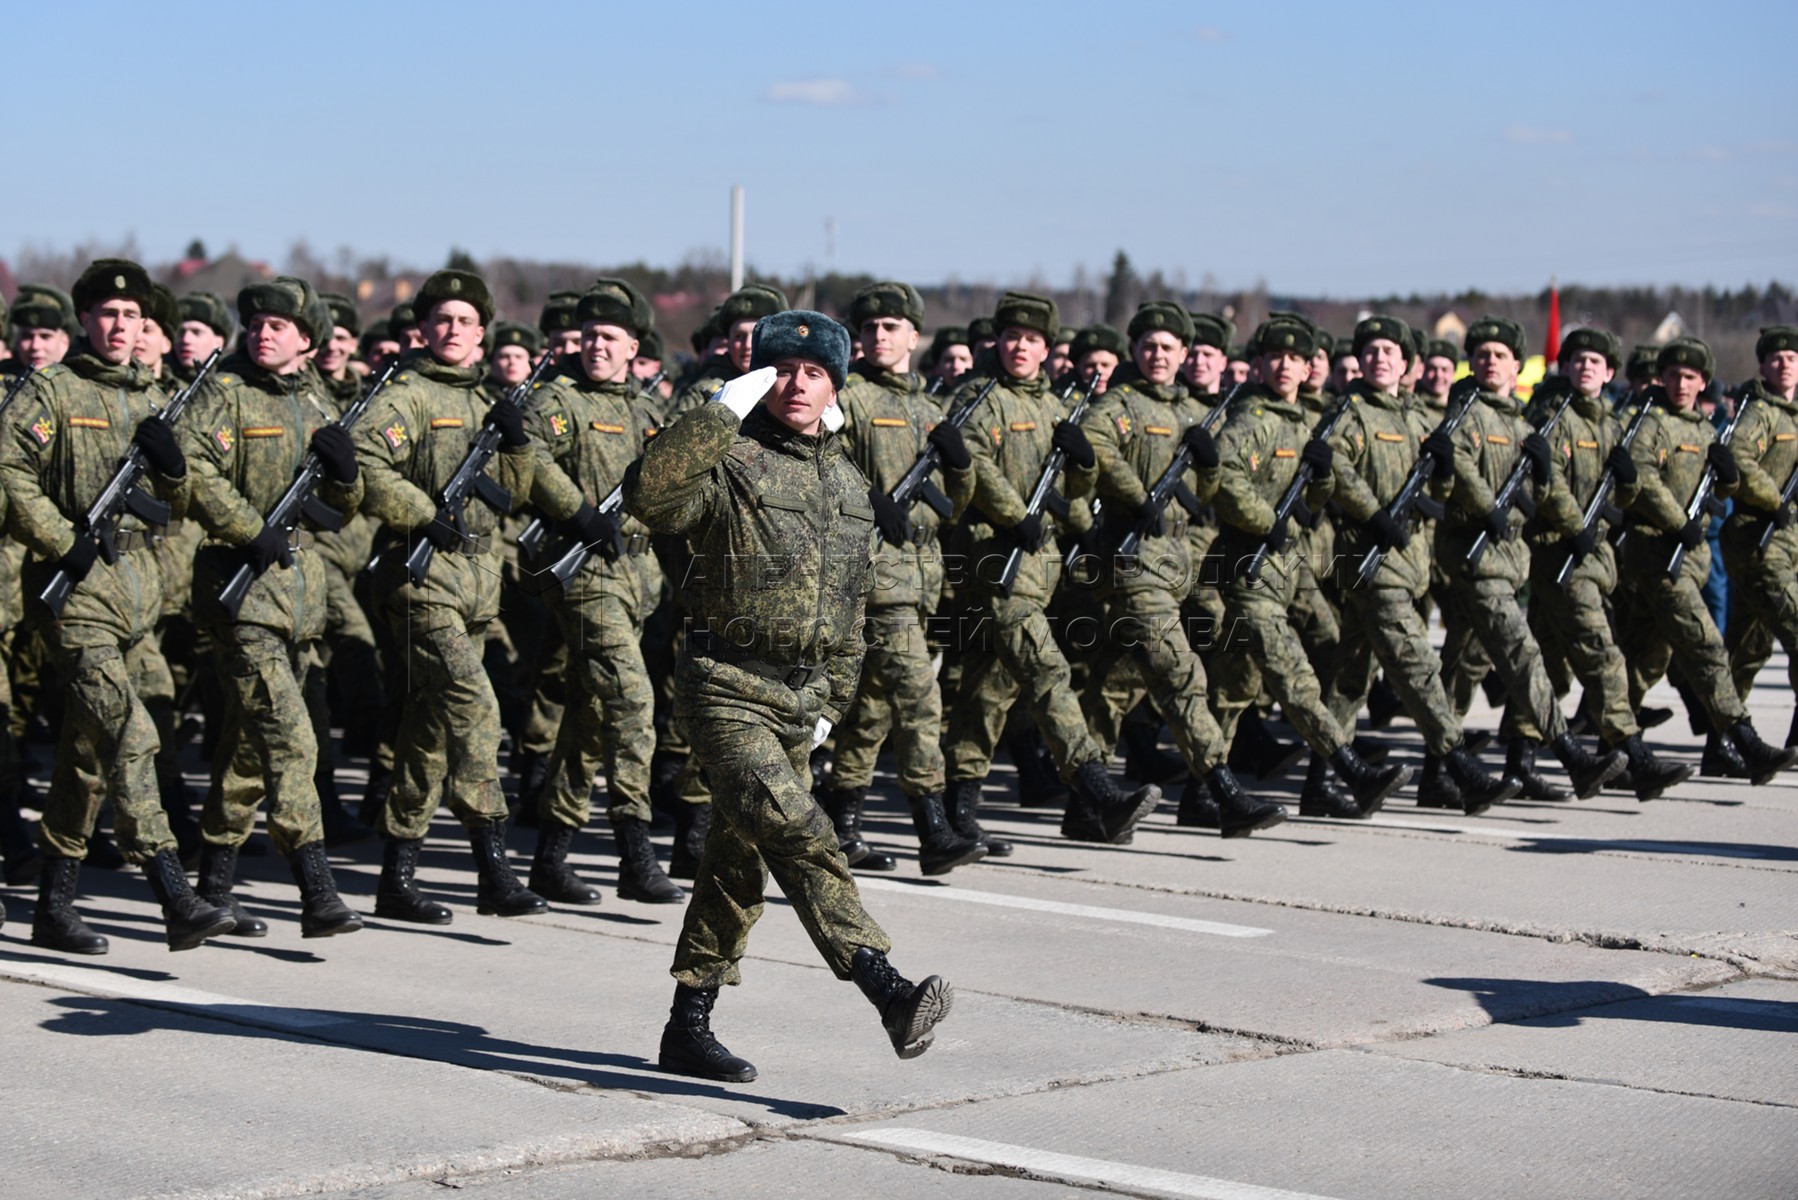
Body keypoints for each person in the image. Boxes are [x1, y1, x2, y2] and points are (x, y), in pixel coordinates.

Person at [627, 309, 953, 1083]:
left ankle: (688, 1026)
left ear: (836, 384)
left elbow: (853, 606)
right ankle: (885, 985)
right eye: (780, 370)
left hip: (798, 702)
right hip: (724, 689)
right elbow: (649, 496)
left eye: (813, 373)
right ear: (756, 377)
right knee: (801, 831)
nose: (796, 384)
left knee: (736, 864)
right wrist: (716, 411)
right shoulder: (729, 460)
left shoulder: (845, 481)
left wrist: (833, 702)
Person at [0, 258, 236, 953]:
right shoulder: (50, 391)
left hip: (135, 595)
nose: (118, 325)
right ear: (85, 320)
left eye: (131, 317)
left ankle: (53, 905)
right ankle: (173, 892)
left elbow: (183, 502)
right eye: (106, 313)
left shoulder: (152, 400)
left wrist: (172, 465)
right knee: (130, 736)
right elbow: (8, 470)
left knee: (85, 752)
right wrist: (60, 538)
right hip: (72, 596)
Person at [356, 269, 549, 922]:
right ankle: (492, 868)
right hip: (418, 582)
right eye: (442, 319)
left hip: (475, 585)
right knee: (474, 705)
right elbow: (363, 462)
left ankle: (396, 877)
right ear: (422, 328)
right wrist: (420, 509)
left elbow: (517, 495)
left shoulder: (490, 400)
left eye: (466, 321)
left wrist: (518, 441)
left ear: (482, 331)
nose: (453, 330)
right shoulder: (406, 395)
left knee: (426, 730)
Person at [939, 291, 1161, 843]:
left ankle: (956, 812)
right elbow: (974, 461)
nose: (1020, 347)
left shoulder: (1057, 407)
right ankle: (1097, 792)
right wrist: (1015, 516)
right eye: (1012, 336)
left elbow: (1075, 492)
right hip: (995, 565)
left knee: (988, 693)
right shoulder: (979, 396)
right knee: (1048, 674)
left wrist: (1084, 463)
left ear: (1047, 348)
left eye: (1032, 339)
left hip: (1039, 572)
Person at [179, 276, 364, 937]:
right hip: (240, 597)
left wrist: (347, 475)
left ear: (307, 340)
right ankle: (317, 892)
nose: (263, 331)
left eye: (279, 324)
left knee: (247, 749)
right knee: (291, 739)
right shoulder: (220, 396)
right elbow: (193, 474)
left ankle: (212, 892)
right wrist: (247, 526)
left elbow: (340, 512)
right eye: (255, 322)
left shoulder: (317, 403)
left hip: (297, 603)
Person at [1080, 301, 1286, 835]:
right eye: (1148, 346)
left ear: (1184, 355)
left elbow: (1203, 495)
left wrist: (1210, 462)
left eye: (1167, 347)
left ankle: (1087, 803)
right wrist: (1136, 492)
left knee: (1115, 683)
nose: (1157, 355)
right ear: (1134, 351)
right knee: (1181, 672)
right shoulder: (1118, 403)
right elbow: (1099, 446)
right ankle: (1222, 789)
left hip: (1177, 562)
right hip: (1133, 560)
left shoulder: (1195, 413)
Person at [1206, 317, 1410, 817]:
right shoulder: (1250, 419)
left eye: (1293, 359)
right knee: (1292, 675)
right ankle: (1349, 770)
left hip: (1284, 573)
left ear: (1307, 368)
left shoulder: (1302, 424)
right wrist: (1263, 520)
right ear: (1259, 364)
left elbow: (1314, 500)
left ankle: (1201, 792)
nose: (1283, 366)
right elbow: (1222, 479)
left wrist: (1319, 477)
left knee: (1235, 688)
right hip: (1246, 572)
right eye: (1274, 357)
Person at [520, 281, 683, 905]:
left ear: (632, 347)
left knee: (589, 716)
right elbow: (531, 457)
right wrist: (578, 511)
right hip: (584, 574)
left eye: (608, 338)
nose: (595, 346)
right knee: (631, 701)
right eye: (588, 336)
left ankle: (551, 855)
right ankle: (634, 851)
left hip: (639, 579)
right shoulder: (556, 400)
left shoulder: (645, 412)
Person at [1321, 316, 1516, 814]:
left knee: (1352, 676)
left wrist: (1446, 472)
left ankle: (1320, 781)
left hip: (1407, 565)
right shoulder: (1348, 411)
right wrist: (1375, 513)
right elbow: (1336, 468)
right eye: (1371, 351)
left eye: (1390, 351)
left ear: (1406, 364)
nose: (1380, 358)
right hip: (1367, 560)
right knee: (1419, 668)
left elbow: (1437, 494)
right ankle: (1457, 765)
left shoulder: (1415, 418)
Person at [1433, 316, 1625, 799]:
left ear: (1517, 365)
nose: (1490, 362)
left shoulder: (1521, 421)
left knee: (1463, 666)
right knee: (1522, 656)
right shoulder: (1463, 412)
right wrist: (1489, 509)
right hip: (1475, 561)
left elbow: (1538, 499)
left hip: (1509, 562)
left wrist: (1539, 475)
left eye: (1500, 356)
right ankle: (1569, 753)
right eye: (1482, 355)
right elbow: (1457, 468)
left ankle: (1437, 771)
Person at [827, 281, 983, 873]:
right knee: (919, 699)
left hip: (922, 576)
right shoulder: (849, 396)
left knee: (872, 707)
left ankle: (842, 826)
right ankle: (933, 828)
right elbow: (822, 464)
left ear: (914, 336)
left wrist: (961, 461)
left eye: (891, 327)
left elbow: (957, 502)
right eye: (869, 328)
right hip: (875, 572)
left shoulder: (930, 406)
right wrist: (871, 498)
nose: (879, 336)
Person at [1615, 337, 1797, 784]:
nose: (1681, 383)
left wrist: (1726, 482)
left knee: (1646, 660)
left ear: (1703, 382)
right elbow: (1640, 477)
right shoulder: (1649, 423)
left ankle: (1611, 744)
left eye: (1690, 377)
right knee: (1705, 645)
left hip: (1688, 560)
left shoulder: (1703, 429)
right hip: (1658, 555)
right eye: (1673, 375)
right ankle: (1744, 739)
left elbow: (1711, 491)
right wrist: (1680, 522)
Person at [1521, 328, 1692, 801]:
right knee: (1601, 653)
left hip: (1594, 556)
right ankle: (1633, 754)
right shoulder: (1551, 415)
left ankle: (1519, 757)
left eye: (1595, 361)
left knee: (1546, 663)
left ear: (1610, 372)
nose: (1585, 367)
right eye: (1577, 359)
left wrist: (1630, 480)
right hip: (1559, 552)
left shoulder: (1613, 425)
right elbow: (1546, 483)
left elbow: (1623, 499)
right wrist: (1576, 526)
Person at [1720, 326, 1798, 743]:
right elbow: (1737, 458)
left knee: (1748, 648)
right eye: (1776, 357)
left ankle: (1724, 739)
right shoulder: (1759, 411)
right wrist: (1775, 500)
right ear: (1763, 365)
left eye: (1792, 357)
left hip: (1789, 545)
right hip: (1759, 539)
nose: (1785, 364)